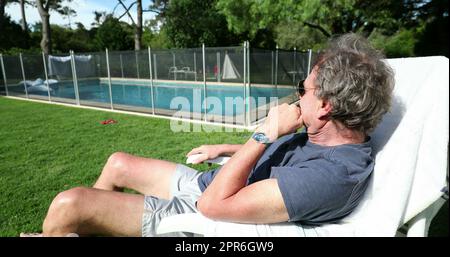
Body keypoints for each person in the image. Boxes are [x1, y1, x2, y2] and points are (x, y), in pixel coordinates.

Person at [23, 33, 394, 237]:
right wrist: (228, 147)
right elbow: (280, 160)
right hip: (209, 182)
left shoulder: (329, 177)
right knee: (118, 163)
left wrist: (262, 134)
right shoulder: (327, 137)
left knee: (67, 205)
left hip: (203, 209)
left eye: (304, 88)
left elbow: (212, 208)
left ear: (327, 105)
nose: (298, 94)